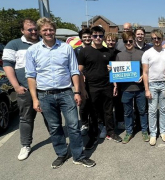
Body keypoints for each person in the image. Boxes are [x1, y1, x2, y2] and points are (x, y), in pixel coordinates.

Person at [25, 17, 95, 168]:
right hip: (45, 95)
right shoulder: (32, 51)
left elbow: (74, 71)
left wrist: (77, 92)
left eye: (51, 29)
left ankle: (78, 155)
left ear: (55, 30)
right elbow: (31, 76)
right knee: (54, 127)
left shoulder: (66, 48)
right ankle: (62, 153)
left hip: (66, 93)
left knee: (73, 125)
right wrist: (35, 99)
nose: (48, 32)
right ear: (39, 32)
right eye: (45, 30)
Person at [2, 18, 48, 161]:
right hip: (25, 90)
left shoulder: (45, 42)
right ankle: (25, 145)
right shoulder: (13, 44)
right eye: (30, 29)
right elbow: (8, 65)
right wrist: (16, 86)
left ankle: (57, 140)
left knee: (51, 117)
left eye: (35, 29)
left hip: (45, 89)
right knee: (26, 118)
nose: (33, 31)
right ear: (22, 30)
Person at [78, 26, 122, 149]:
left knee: (108, 111)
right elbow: (79, 71)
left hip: (106, 86)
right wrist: (81, 89)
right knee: (93, 113)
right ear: (91, 36)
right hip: (91, 87)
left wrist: (115, 85)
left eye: (100, 36)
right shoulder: (84, 51)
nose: (98, 38)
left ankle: (111, 132)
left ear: (103, 36)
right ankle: (93, 137)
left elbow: (114, 70)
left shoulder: (108, 52)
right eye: (95, 35)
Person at [114, 31, 149, 144]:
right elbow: (116, 72)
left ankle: (144, 131)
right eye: (126, 41)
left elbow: (146, 70)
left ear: (134, 40)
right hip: (126, 89)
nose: (128, 43)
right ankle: (129, 132)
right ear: (123, 42)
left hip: (140, 89)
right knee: (127, 112)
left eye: (130, 41)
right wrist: (112, 69)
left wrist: (142, 76)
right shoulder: (119, 55)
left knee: (142, 111)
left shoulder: (141, 54)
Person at [142, 29, 165, 146]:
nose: (156, 40)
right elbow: (145, 73)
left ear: (162, 38)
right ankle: (153, 133)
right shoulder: (147, 53)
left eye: (158, 38)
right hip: (152, 84)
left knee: (163, 109)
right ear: (151, 39)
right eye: (154, 38)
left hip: (164, 83)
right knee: (152, 110)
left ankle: (163, 132)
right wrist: (146, 89)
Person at [74, 28, 93, 136]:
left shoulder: (95, 48)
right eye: (84, 37)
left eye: (89, 36)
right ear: (81, 38)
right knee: (83, 104)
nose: (87, 38)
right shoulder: (77, 50)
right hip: (81, 81)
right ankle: (84, 124)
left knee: (94, 103)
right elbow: (74, 67)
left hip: (93, 80)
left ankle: (94, 123)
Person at [105, 33, 125, 130]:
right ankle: (108, 125)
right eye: (109, 40)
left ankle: (120, 121)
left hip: (118, 81)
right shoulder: (102, 52)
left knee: (119, 103)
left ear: (116, 42)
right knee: (108, 105)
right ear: (105, 41)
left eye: (113, 40)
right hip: (106, 82)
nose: (111, 42)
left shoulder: (119, 53)